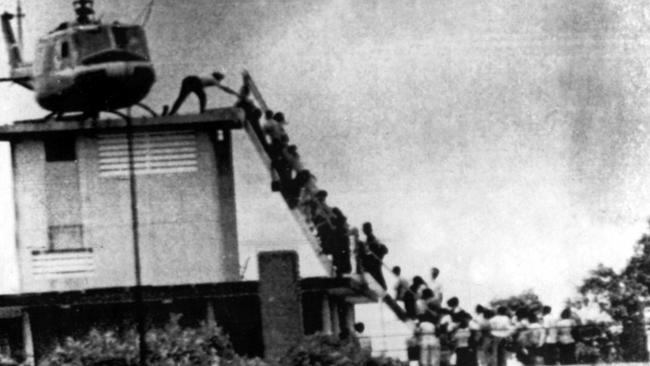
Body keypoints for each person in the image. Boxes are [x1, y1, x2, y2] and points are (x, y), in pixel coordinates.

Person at [362, 222, 388, 290]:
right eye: (364, 229)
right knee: (378, 279)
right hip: (373, 263)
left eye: (365, 229)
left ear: (370, 229)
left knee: (378, 280)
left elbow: (384, 249)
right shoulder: (369, 239)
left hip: (374, 262)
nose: (364, 231)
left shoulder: (372, 239)